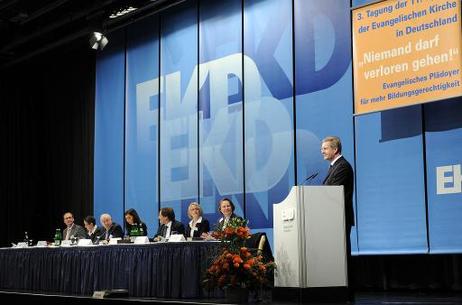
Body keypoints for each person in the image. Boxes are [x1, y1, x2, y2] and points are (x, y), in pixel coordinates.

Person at [321, 136, 355, 292]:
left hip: (339, 218)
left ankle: (346, 289)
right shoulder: (334, 166)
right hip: (331, 218)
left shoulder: (342, 166)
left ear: (335, 150)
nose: (322, 151)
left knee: (342, 255)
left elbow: (332, 192)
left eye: (325, 148)